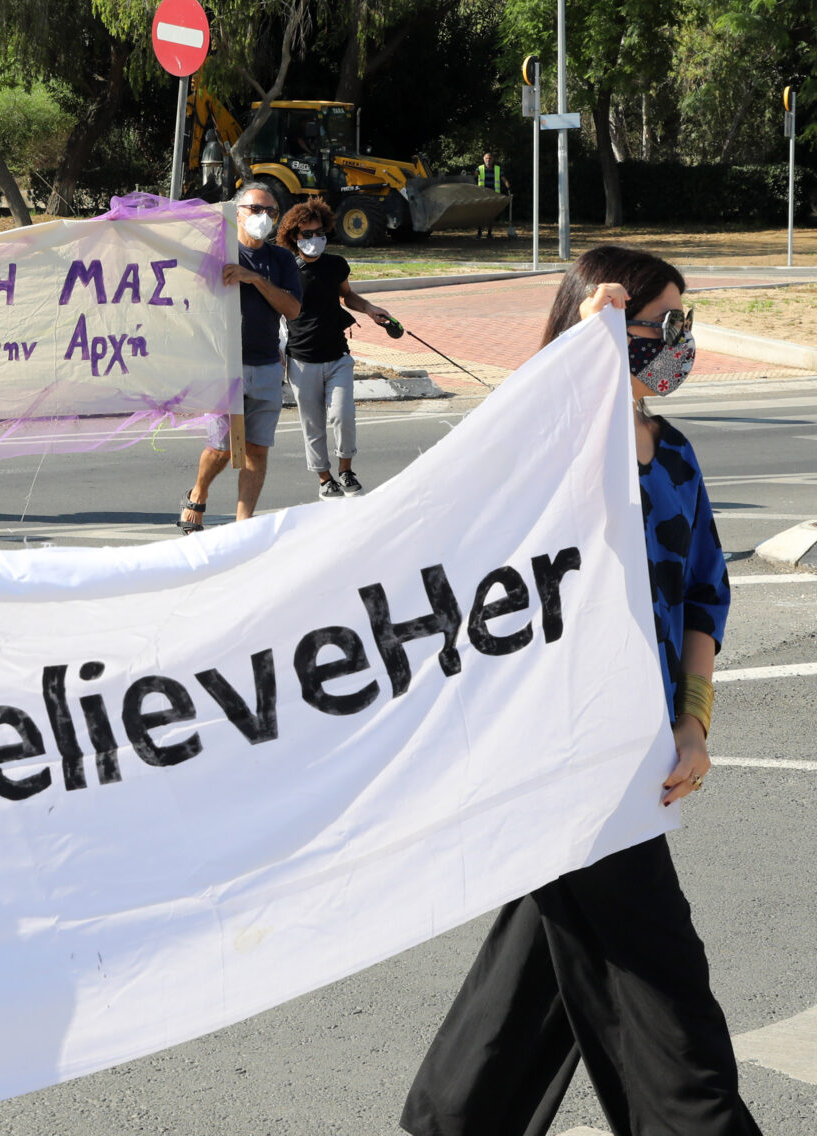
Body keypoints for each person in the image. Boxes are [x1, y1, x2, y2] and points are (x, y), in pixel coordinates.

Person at [400, 245, 757, 1136]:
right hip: (567, 753)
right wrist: (583, 351)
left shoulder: (671, 457)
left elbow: (706, 593)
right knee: (666, 984)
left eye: (685, 323)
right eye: (660, 326)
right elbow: (504, 464)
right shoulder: (557, 446)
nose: (679, 343)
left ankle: (456, 1120)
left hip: (640, 753)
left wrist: (694, 723)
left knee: (540, 972)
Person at [177, 183, 301, 534]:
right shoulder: (217, 254)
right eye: (256, 210)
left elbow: (292, 309)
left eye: (271, 212)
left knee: (257, 450)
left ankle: (242, 527)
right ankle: (198, 494)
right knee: (221, 448)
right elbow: (188, 302)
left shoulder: (280, 260)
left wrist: (255, 279)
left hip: (265, 367)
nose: (264, 218)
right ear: (237, 212)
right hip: (224, 368)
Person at [275, 199, 393, 501]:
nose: (313, 239)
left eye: (318, 232)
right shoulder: (286, 269)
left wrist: (369, 309)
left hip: (338, 355)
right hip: (301, 361)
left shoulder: (336, 265)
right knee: (312, 424)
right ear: (293, 237)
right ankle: (325, 478)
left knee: (343, 415)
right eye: (306, 234)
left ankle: (346, 470)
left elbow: (347, 296)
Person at [475, 152, 511, 240]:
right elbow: (474, 176)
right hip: (482, 195)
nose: (488, 160)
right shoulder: (480, 168)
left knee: (492, 215)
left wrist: (509, 188)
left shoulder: (498, 169)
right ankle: (479, 233)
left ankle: (489, 233)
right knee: (481, 214)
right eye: (486, 158)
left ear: (493, 160)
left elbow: (504, 179)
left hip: (494, 195)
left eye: (490, 158)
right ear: (484, 159)